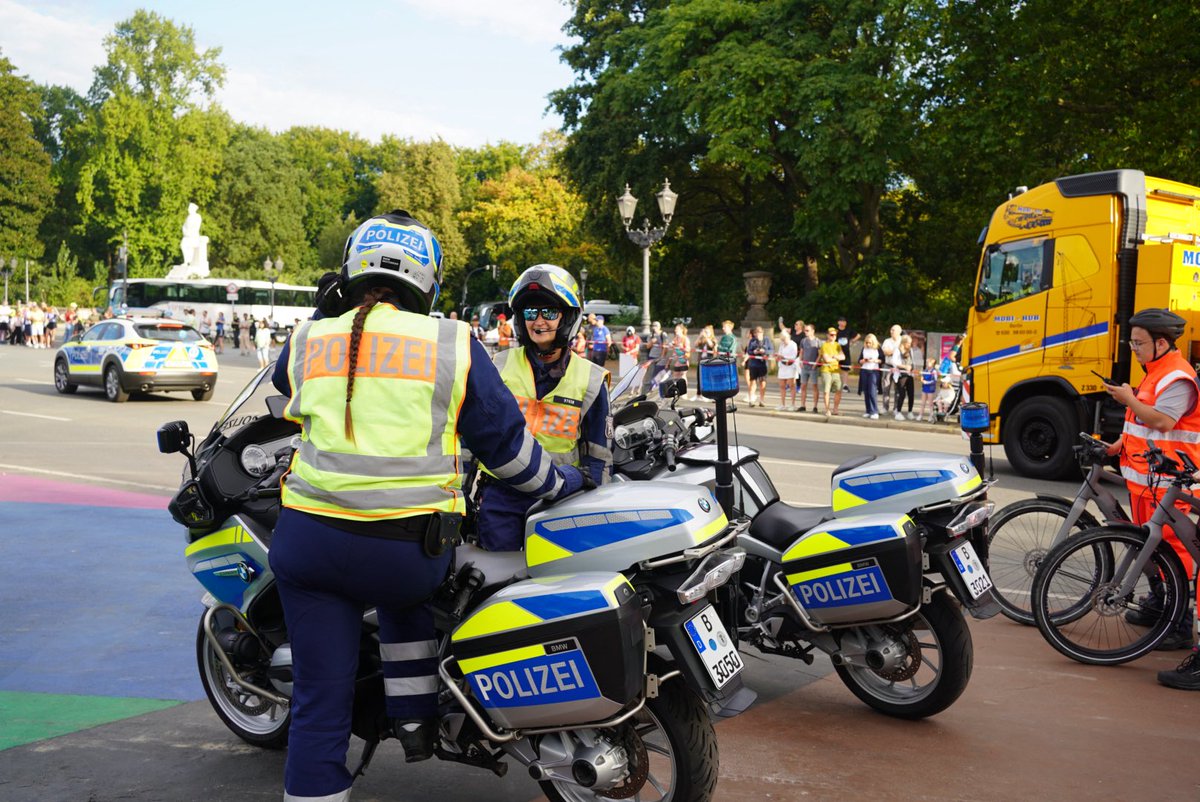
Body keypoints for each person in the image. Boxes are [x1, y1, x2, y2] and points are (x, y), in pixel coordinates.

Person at [268, 212, 585, 801]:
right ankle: (413, 720)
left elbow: (283, 393)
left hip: (307, 542)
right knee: (409, 598)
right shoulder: (453, 343)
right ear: (429, 280)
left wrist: (324, 313)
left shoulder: (311, 337)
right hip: (406, 551)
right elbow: (510, 455)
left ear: (350, 272)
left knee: (319, 699)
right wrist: (562, 486)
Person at [474, 263, 610, 553]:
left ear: (568, 317)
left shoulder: (591, 379)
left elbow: (598, 457)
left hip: (561, 498)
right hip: (501, 496)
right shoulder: (497, 366)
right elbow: (473, 436)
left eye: (549, 312)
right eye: (530, 312)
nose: (539, 321)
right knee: (497, 581)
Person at [1097, 309, 1200, 679]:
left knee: (1172, 551)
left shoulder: (1177, 376)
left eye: (1138, 343)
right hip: (1146, 479)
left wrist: (1127, 398)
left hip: (1169, 482)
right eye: (1132, 342)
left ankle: (1176, 621)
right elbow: (1143, 422)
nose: (1134, 349)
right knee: (1150, 547)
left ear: (1161, 342)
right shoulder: (1155, 372)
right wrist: (1119, 443)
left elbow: (1163, 421)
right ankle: (1160, 604)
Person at [818, 326, 845, 416]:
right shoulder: (824, 345)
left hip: (836, 370)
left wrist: (833, 357)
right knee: (827, 391)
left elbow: (843, 357)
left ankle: (835, 409)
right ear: (827, 335)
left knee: (838, 390)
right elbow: (827, 359)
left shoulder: (838, 345)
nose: (833, 336)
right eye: (831, 335)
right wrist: (836, 358)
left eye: (835, 335)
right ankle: (827, 409)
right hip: (826, 370)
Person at [742, 326, 770, 407]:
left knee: (763, 383)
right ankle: (751, 400)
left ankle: (762, 400)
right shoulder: (752, 341)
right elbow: (749, 351)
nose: (758, 334)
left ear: (762, 333)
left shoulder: (766, 340)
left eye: (760, 332)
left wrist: (764, 351)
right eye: (757, 332)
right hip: (754, 364)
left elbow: (771, 350)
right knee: (752, 382)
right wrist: (754, 351)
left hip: (763, 364)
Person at [892, 334, 916, 420]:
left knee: (911, 394)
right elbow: (894, 362)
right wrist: (904, 367)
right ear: (904, 342)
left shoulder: (911, 350)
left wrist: (912, 368)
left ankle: (910, 411)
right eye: (908, 343)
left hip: (909, 375)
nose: (909, 345)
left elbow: (912, 361)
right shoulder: (897, 350)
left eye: (910, 343)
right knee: (901, 394)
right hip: (901, 375)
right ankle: (898, 412)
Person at [641, 321, 669, 393]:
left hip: (660, 357)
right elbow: (647, 346)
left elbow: (665, 346)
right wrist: (652, 342)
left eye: (656, 326)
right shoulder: (651, 335)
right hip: (652, 356)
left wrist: (662, 356)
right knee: (650, 374)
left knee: (658, 374)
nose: (654, 328)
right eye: (653, 326)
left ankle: (658, 389)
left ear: (659, 327)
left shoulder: (663, 334)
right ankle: (649, 390)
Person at [880, 324, 902, 415]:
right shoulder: (887, 341)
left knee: (898, 389)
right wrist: (896, 351)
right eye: (891, 330)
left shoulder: (902, 340)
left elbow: (904, 353)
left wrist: (892, 351)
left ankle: (896, 408)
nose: (891, 331)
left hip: (898, 367)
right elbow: (885, 352)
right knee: (886, 387)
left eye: (893, 330)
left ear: (899, 331)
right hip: (888, 366)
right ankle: (885, 407)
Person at [858, 332, 882, 419]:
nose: (868, 344)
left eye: (870, 343)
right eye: (866, 342)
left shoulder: (878, 349)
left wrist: (875, 360)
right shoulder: (863, 349)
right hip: (864, 370)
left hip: (874, 371)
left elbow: (882, 359)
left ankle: (875, 411)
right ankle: (868, 410)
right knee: (866, 392)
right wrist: (862, 361)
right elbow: (859, 360)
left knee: (872, 391)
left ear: (873, 342)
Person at [774, 328, 799, 410]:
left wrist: (783, 357)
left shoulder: (793, 344)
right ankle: (782, 404)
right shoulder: (781, 344)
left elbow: (793, 356)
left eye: (784, 339)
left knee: (792, 385)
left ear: (788, 337)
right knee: (782, 385)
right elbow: (780, 354)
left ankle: (792, 404)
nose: (783, 341)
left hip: (790, 366)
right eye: (782, 339)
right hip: (782, 366)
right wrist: (778, 356)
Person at [799, 323, 821, 412]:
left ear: (813, 331)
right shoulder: (803, 341)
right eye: (805, 330)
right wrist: (800, 361)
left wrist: (816, 363)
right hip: (804, 366)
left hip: (813, 367)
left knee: (814, 386)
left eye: (807, 330)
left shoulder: (817, 341)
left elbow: (820, 354)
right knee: (803, 386)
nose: (805, 332)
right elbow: (801, 351)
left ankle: (815, 406)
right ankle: (802, 405)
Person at [835, 316, 860, 392]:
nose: (842, 323)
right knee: (835, 368)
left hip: (846, 352)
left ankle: (845, 385)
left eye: (844, 321)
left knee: (845, 369)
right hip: (836, 352)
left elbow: (858, 335)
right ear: (838, 322)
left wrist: (852, 341)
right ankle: (835, 384)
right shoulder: (835, 331)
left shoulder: (848, 330)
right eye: (841, 321)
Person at [693, 324, 716, 400]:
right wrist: (700, 336)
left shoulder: (713, 339)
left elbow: (712, 345)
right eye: (705, 331)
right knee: (699, 377)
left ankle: (708, 395)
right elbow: (695, 344)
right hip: (701, 360)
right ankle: (698, 394)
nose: (705, 333)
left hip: (708, 361)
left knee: (707, 378)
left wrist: (706, 337)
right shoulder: (702, 340)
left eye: (707, 331)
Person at [669, 323, 691, 392]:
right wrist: (671, 345)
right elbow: (672, 348)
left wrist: (682, 347)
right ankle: (678, 390)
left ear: (681, 330)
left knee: (682, 375)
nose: (675, 330)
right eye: (675, 329)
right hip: (676, 360)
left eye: (677, 329)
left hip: (683, 359)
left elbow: (688, 349)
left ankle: (684, 390)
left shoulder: (685, 338)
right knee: (675, 375)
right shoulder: (675, 338)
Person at [919, 357, 938, 422]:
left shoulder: (934, 371)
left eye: (928, 362)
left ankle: (931, 415)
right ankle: (920, 415)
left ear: (932, 363)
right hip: (924, 387)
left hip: (930, 388)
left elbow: (935, 380)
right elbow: (922, 376)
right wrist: (922, 379)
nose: (927, 364)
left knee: (930, 403)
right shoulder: (925, 370)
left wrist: (927, 382)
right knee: (923, 402)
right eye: (926, 362)